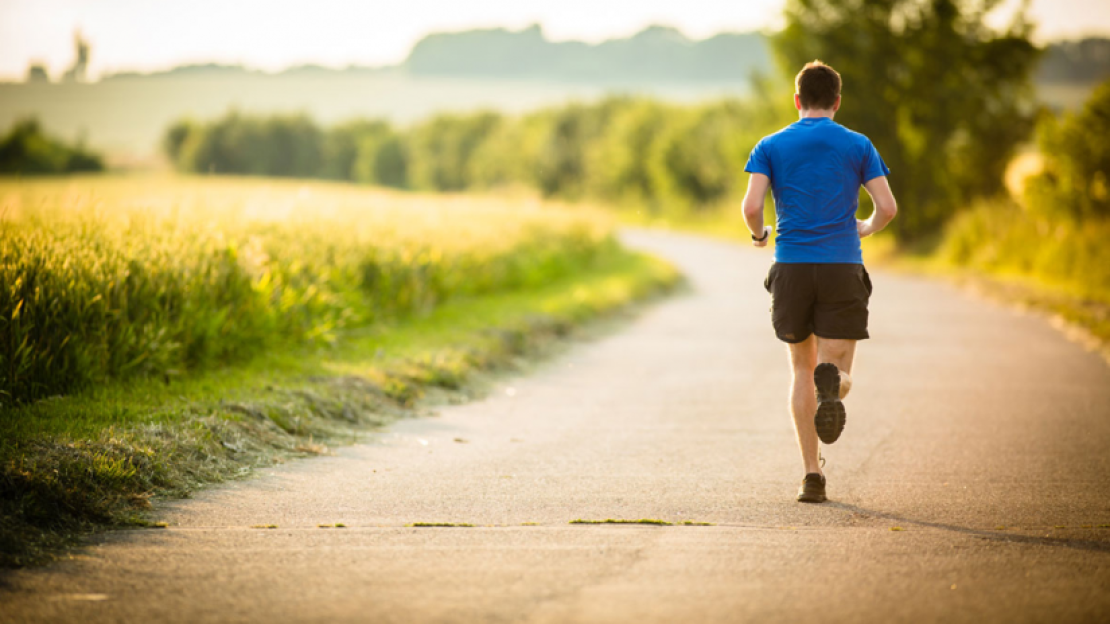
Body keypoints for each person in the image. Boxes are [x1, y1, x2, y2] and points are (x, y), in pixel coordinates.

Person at [741, 60, 898, 504]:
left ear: (796, 101)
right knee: (837, 370)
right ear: (837, 101)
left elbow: (752, 206)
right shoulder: (858, 144)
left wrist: (759, 236)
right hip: (840, 266)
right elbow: (886, 208)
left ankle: (812, 476)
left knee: (800, 370)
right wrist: (865, 226)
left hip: (791, 266)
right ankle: (837, 387)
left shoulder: (770, 144)